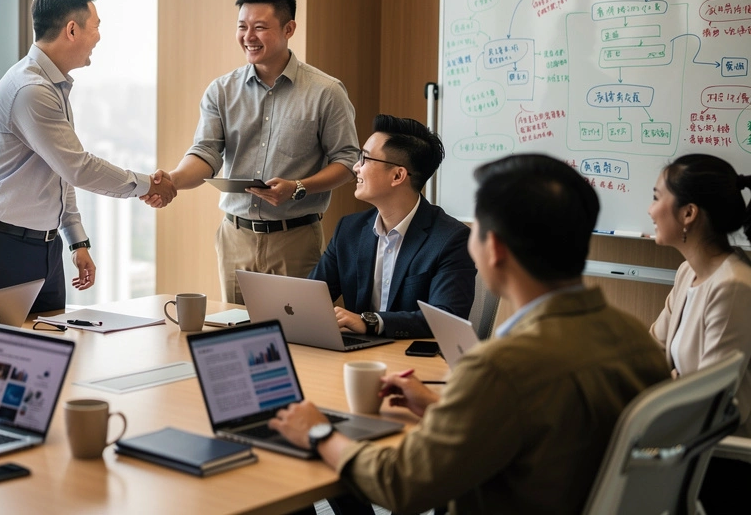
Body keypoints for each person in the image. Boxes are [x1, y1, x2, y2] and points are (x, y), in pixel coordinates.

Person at [267, 154, 670, 515]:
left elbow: (401, 485)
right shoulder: (636, 339)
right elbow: (539, 426)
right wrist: (444, 409)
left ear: (493, 248)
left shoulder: (502, 368)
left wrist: (318, 431)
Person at [0, 0, 176, 315]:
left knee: (46, 357)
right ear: (72, 30)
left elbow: (60, 172)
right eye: (97, 27)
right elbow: (79, 168)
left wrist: (76, 240)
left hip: (42, 247)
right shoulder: (31, 90)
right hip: (2, 249)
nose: (100, 37)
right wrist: (149, 184)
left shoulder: (52, 86)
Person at [158, 0, 360, 304]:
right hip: (235, 238)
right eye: (242, 27)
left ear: (289, 28)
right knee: (237, 336)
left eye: (260, 27)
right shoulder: (221, 91)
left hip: (295, 238)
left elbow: (348, 163)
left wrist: (298, 187)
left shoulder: (326, 91)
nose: (248, 36)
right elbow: (205, 154)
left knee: (299, 340)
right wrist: (173, 180)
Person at [647, 154, 751, 514]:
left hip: (718, 459)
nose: (650, 209)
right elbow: (652, 348)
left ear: (689, 213)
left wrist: (669, 380)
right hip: (683, 440)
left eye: (657, 197)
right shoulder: (687, 273)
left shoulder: (734, 286)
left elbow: (714, 399)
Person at [309, 114, 475, 339]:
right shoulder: (349, 230)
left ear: (398, 175)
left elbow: (446, 317)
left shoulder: (451, 239)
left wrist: (371, 322)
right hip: (355, 356)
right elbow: (310, 297)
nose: (356, 167)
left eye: (365, 159)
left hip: (411, 360)